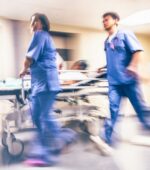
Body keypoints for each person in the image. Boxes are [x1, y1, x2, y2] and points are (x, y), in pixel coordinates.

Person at [20, 13, 76, 166]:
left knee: (43, 117)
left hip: (46, 83)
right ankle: (60, 140)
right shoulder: (45, 38)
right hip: (41, 84)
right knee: (37, 117)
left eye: (35, 21)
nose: (32, 24)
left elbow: (29, 58)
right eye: (31, 21)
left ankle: (48, 151)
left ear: (41, 23)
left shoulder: (40, 35)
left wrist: (23, 69)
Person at [99, 12, 150, 145]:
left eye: (107, 20)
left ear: (116, 20)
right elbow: (114, 59)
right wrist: (104, 67)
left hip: (129, 81)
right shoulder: (106, 41)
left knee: (141, 109)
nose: (104, 22)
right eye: (103, 21)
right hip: (114, 83)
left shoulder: (125, 34)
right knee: (112, 110)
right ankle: (107, 137)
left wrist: (132, 66)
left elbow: (138, 51)